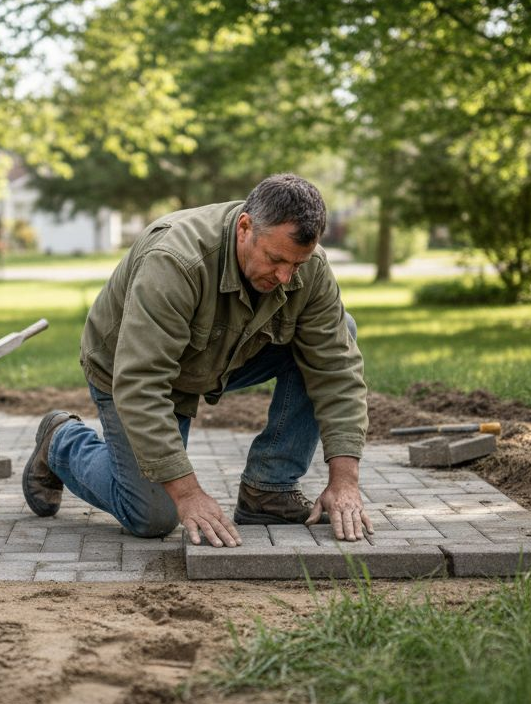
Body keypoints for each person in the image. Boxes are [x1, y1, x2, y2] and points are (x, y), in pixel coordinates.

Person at [22, 173, 371, 547]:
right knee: (152, 516)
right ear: (244, 227)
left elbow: (336, 369)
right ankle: (61, 441)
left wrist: (344, 481)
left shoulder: (308, 267)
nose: (286, 276)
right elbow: (141, 384)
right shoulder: (175, 262)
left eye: (296, 265)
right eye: (275, 259)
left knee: (341, 329)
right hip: (130, 368)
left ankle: (269, 490)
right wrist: (188, 493)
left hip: (225, 354)